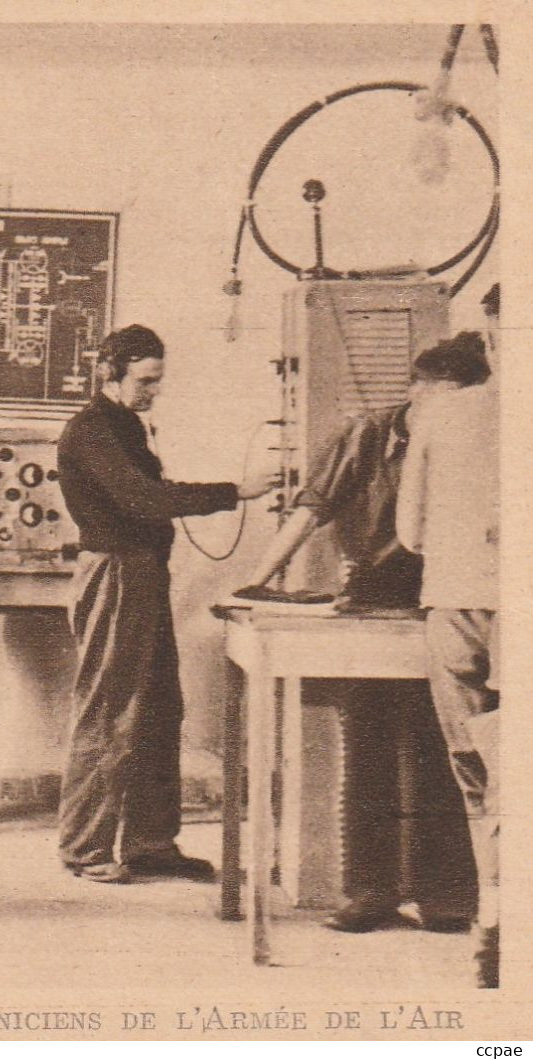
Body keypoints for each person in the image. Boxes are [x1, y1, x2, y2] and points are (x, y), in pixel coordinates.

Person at [242, 340, 489, 933]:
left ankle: (446, 896)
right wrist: (254, 581)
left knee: (443, 749)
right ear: (417, 391)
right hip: (374, 597)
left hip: (444, 597)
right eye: (444, 403)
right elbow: (311, 510)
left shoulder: (472, 435)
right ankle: (370, 891)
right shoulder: (368, 435)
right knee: (369, 748)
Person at [55, 324, 277, 883]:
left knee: (158, 710)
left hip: (144, 574)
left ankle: (150, 844)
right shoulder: (90, 431)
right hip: (116, 575)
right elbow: (142, 498)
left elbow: (151, 493)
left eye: (158, 381)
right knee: (110, 713)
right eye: (146, 381)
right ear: (110, 372)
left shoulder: (126, 425)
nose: (154, 391)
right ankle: (85, 848)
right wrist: (236, 491)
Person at [397, 299, 502, 987]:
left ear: (491, 331)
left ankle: (492, 916)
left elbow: (410, 534)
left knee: (478, 774)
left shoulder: (441, 413)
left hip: (459, 598)